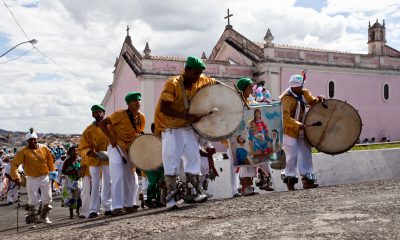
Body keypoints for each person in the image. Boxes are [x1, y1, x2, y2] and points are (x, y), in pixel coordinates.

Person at [154, 56, 215, 209]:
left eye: (199, 73)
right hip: (171, 128)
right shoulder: (172, 84)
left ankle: (193, 192)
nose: (197, 77)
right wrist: (187, 116)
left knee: (193, 157)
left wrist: (235, 91)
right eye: (195, 73)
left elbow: (214, 82)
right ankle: (170, 200)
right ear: (186, 70)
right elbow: (165, 108)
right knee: (172, 162)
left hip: (187, 127)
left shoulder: (200, 79)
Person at [99, 92, 144, 216]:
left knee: (131, 178)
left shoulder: (141, 117)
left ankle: (129, 204)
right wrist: (111, 137)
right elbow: (102, 124)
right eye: (135, 100)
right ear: (129, 104)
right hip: (115, 147)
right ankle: (117, 207)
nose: (138, 102)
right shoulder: (119, 114)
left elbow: (138, 134)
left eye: (139, 100)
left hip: (130, 150)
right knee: (117, 176)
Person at [280, 74, 324, 191]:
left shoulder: (304, 92)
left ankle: (308, 180)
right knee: (292, 155)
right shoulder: (286, 98)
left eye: (299, 86)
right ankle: (290, 180)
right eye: (295, 87)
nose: (298, 88)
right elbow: (284, 118)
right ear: (291, 86)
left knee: (306, 154)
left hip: (302, 130)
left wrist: (319, 99)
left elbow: (312, 102)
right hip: (289, 131)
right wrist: (298, 125)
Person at [235, 78, 274, 196]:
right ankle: (245, 187)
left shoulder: (252, 102)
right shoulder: (236, 103)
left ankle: (254, 184)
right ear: (243, 90)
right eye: (250, 87)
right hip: (242, 137)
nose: (253, 89)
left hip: (254, 137)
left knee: (256, 160)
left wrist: (266, 103)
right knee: (246, 163)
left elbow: (258, 110)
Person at [11, 132, 55, 227]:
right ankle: (32, 220)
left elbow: (50, 160)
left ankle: (43, 217)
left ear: (37, 139)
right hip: (32, 178)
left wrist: (52, 171)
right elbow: (14, 164)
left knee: (47, 198)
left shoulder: (44, 148)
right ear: (27, 141)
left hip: (45, 176)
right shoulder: (23, 151)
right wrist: (16, 177)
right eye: (30, 140)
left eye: (34, 139)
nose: (33, 141)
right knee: (33, 200)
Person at [78, 104, 112, 218]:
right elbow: (82, 147)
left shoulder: (110, 126)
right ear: (92, 115)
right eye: (95, 112)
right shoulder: (88, 130)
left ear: (103, 113)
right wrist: (89, 151)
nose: (98, 114)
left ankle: (108, 207)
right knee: (95, 184)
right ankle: (94, 209)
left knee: (108, 182)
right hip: (93, 159)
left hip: (108, 158)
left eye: (100, 112)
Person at [61, 146, 81, 219]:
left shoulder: (78, 160)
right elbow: (63, 171)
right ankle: (71, 213)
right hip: (70, 180)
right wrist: (71, 172)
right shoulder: (67, 161)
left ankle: (78, 211)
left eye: (76, 151)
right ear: (70, 152)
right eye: (74, 151)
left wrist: (79, 173)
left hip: (78, 180)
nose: (75, 152)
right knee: (71, 197)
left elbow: (81, 169)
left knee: (79, 196)